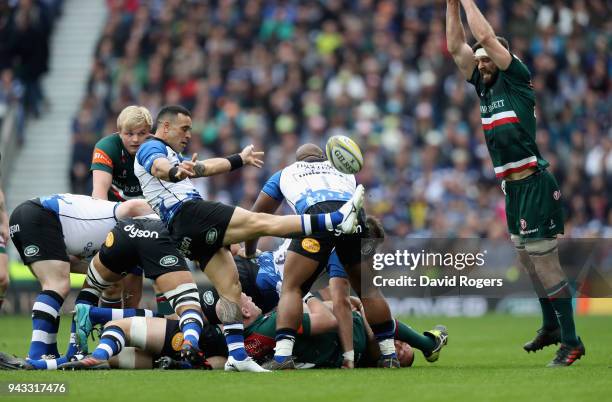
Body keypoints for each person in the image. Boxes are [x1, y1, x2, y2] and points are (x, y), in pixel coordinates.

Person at [134, 105, 364, 372]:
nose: (188, 135)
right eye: (184, 129)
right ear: (164, 127)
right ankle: (337, 219)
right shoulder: (152, 148)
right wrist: (174, 171)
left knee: (230, 288)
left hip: (183, 231)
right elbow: (158, 167)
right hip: (188, 213)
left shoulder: (176, 156)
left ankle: (237, 356)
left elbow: (204, 168)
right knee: (260, 222)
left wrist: (239, 159)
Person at [445, 0, 584, 367]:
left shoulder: (517, 79)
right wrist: (449, 5)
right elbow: (455, 47)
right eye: (479, 60)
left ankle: (571, 341)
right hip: (513, 189)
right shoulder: (483, 86)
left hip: (534, 183)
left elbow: (485, 37)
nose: (481, 63)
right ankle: (550, 325)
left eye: (487, 58)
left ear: (502, 56)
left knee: (547, 264)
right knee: (527, 261)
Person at [245, 144, 402, 369]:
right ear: (323, 157)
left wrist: (250, 250)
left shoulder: (285, 173)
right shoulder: (344, 170)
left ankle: (282, 357)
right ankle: (389, 355)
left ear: (296, 160)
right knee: (368, 289)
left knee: (292, 287)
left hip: (315, 219)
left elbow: (257, 215)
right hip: (352, 219)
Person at [8, 193, 151, 366]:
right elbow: (132, 207)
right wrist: (167, 214)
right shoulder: (134, 225)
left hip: (29, 216)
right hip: (40, 215)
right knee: (57, 285)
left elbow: (77, 263)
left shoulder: (112, 241)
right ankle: (36, 355)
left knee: (101, 279)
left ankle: (51, 353)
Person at [57, 217, 206, 369]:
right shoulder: (206, 226)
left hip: (124, 230)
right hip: (159, 235)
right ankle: (191, 343)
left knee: (91, 289)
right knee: (188, 306)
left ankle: (73, 351)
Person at [90, 105, 153, 310]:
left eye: (141, 134)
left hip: (144, 220)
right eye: (129, 134)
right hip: (112, 216)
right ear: (119, 132)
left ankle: (130, 338)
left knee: (132, 297)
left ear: (149, 133)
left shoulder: (158, 148)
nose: (135, 139)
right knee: (111, 285)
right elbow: (99, 194)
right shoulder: (106, 146)